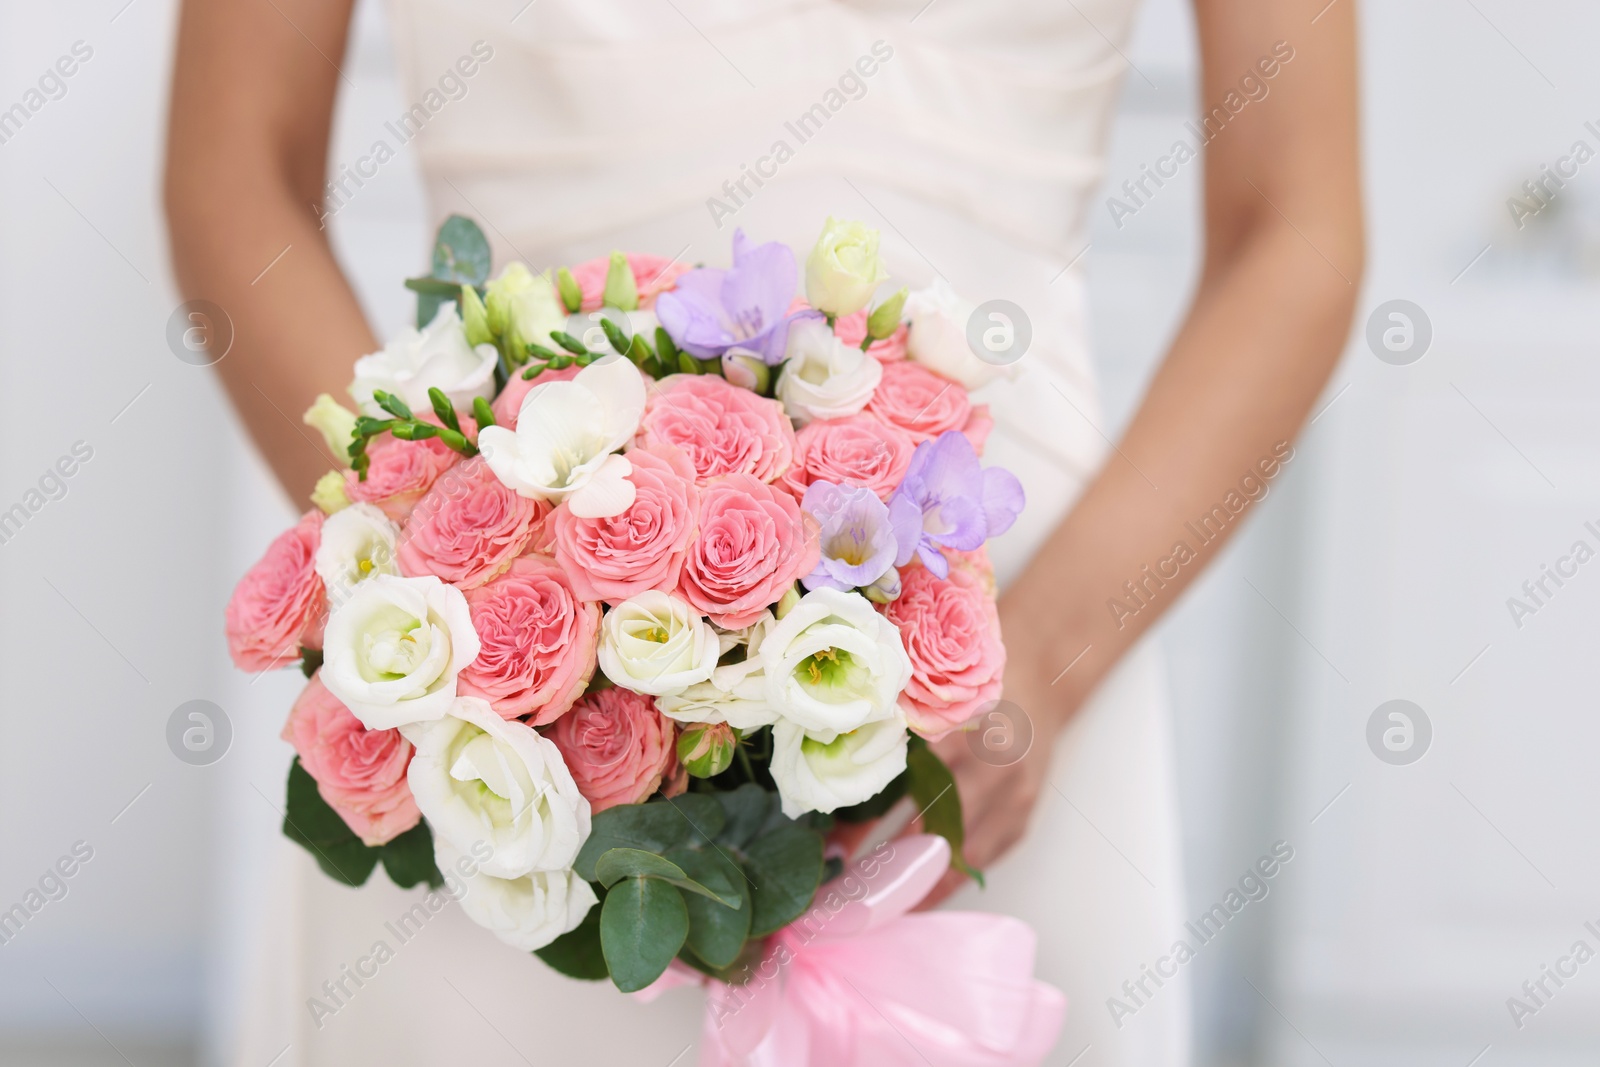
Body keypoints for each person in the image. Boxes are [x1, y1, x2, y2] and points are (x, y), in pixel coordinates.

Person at [166, 0, 1361, 1062]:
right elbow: (233, 171)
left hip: (1010, 666)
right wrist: (428, 579)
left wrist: (1044, 663)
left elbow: (1293, 224)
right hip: (498, 725)